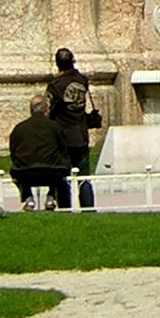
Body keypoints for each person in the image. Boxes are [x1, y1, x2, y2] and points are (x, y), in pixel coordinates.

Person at [46, 47, 97, 208]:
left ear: (57, 64)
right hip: (81, 133)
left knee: (63, 178)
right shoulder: (82, 80)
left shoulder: (55, 86)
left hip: (63, 137)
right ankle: (88, 207)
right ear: (72, 61)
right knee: (84, 178)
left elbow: (49, 111)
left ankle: (65, 209)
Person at [8, 94, 71, 210]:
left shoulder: (19, 128)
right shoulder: (54, 126)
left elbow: (13, 152)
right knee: (61, 168)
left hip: (25, 173)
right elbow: (63, 149)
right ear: (46, 110)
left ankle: (28, 198)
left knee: (16, 170)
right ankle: (51, 196)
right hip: (53, 172)